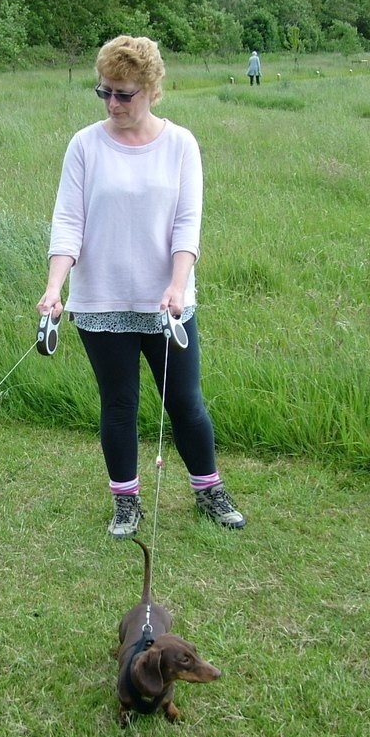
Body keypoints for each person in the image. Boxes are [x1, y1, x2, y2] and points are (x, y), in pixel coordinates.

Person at [37, 35, 246, 538]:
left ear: (152, 90)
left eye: (124, 94)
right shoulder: (85, 145)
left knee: (185, 402)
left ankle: (209, 490)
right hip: (101, 302)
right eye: (104, 92)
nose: (113, 103)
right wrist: (54, 288)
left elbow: (186, 224)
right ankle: (126, 502)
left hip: (167, 304)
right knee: (119, 404)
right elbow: (69, 221)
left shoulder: (180, 144)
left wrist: (177, 285)